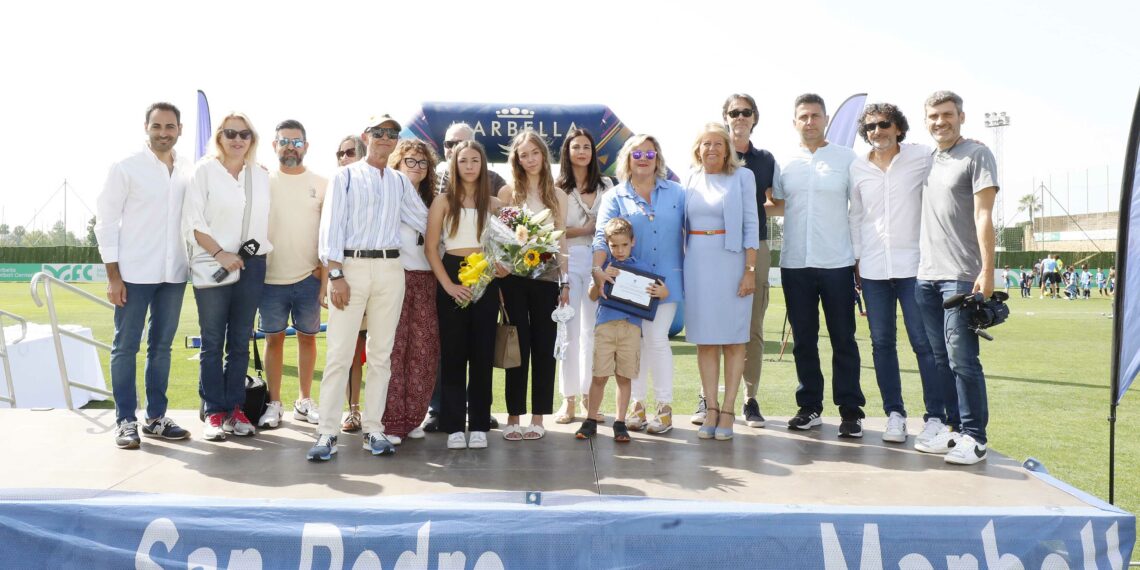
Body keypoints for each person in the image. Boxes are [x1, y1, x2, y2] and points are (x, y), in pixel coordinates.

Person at [307, 114, 429, 461]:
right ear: (367, 136)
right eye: (379, 132)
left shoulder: (399, 182)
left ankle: (373, 429)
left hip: (391, 269)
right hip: (351, 267)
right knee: (340, 354)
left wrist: (474, 231)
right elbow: (330, 229)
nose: (386, 138)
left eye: (392, 133)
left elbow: (423, 220)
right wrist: (335, 275)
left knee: (381, 354)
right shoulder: (344, 176)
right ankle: (327, 433)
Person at [848, 102, 953, 445]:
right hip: (874, 269)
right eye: (870, 128)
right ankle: (895, 414)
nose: (876, 131)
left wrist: (972, 143)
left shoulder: (921, 156)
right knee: (882, 344)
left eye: (883, 124)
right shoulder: (857, 168)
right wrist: (857, 260)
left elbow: (950, 152)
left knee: (924, 344)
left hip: (915, 267)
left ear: (898, 128)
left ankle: (936, 416)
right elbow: (856, 217)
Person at [96, 102, 192, 448]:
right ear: (147, 128)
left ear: (180, 129)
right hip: (134, 273)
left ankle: (155, 418)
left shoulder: (187, 170)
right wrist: (114, 276)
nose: (163, 133)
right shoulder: (126, 168)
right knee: (125, 347)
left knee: (161, 347)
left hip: (174, 272)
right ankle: (124, 421)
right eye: (157, 127)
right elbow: (106, 223)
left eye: (170, 126)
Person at [912, 90, 1000, 465]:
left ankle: (974, 437)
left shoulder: (978, 154)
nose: (939, 122)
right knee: (939, 359)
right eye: (933, 116)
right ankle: (951, 431)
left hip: (961, 276)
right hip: (926, 276)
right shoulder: (926, 159)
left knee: (963, 359)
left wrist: (988, 269)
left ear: (961, 117)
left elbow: (984, 216)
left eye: (947, 115)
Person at [772, 93, 865, 438]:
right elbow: (775, 204)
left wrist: (858, 257)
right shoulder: (784, 163)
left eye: (815, 116)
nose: (809, 122)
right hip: (795, 263)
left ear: (825, 119)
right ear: (794, 122)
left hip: (837, 262)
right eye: (803, 116)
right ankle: (809, 407)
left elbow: (859, 209)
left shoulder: (847, 159)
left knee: (844, 339)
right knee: (804, 342)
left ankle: (851, 411)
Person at [182, 111, 272, 441]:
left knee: (240, 341)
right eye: (230, 133)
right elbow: (193, 221)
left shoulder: (260, 175)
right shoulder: (204, 171)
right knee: (212, 342)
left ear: (252, 139)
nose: (237, 139)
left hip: (252, 265)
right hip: (213, 264)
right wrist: (222, 254)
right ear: (219, 136)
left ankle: (235, 409)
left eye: (244, 134)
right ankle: (214, 412)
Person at [692, 93, 780, 428]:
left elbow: (774, 204)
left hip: (748, 248)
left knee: (748, 329)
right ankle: (708, 400)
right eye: (734, 112)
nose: (740, 117)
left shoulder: (763, 161)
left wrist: (744, 224)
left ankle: (747, 400)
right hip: (705, 257)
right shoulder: (695, 172)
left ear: (754, 117)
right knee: (708, 332)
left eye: (746, 112)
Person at [593, 135, 685, 434]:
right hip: (629, 287)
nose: (643, 158)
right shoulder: (615, 196)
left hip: (666, 284)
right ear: (627, 159)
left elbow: (695, 233)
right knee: (636, 343)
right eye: (637, 153)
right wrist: (598, 269)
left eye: (650, 152)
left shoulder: (678, 193)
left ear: (658, 158)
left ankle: (664, 407)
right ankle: (637, 405)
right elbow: (600, 238)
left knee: (656, 339)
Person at [423, 122, 507, 433]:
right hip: (452, 276)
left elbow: (508, 247)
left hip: (486, 279)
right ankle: (454, 426)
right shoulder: (443, 202)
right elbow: (431, 249)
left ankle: (481, 425)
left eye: (475, 160)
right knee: (454, 355)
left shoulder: (496, 205)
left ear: (483, 165)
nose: (469, 166)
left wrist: (503, 268)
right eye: (463, 161)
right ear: (454, 165)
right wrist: (448, 286)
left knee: (482, 355)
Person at [682, 123, 759, 441]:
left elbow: (751, 222)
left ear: (727, 148)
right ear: (697, 149)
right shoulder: (689, 178)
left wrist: (750, 269)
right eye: (705, 144)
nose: (711, 149)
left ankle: (728, 410)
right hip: (697, 263)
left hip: (732, 260)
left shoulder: (743, 176)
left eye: (718, 143)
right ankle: (710, 408)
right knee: (706, 340)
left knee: (733, 339)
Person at [497, 129, 569, 441]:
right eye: (523, 155)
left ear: (544, 154)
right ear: (516, 159)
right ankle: (513, 416)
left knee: (543, 348)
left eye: (534, 153)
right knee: (516, 347)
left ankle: (538, 417)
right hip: (513, 280)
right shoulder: (508, 193)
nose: (529, 159)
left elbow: (562, 240)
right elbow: (499, 239)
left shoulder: (559, 195)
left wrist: (565, 283)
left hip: (547, 280)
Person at [257, 120, 326, 428]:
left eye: (297, 142)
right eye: (284, 141)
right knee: (273, 341)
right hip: (269, 278)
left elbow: (328, 233)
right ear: (274, 146)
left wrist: (323, 270)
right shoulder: (261, 180)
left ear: (306, 147)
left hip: (307, 278)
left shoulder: (323, 183)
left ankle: (304, 399)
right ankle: (274, 402)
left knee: (307, 339)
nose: (290, 147)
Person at [575, 217, 668, 442]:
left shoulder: (642, 268)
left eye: (624, 245)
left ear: (632, 242)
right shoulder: (603, 267)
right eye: (614, 245)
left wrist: (662, 293)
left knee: (624, 377)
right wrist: (602, 279)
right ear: (607, 244)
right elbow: (591, 295)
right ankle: (590, 420)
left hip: (631, 329)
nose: (619, 250)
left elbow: (660, 293)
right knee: (599, 376)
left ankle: (619, 422)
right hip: (606, 327)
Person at [381, 139, 441, 441]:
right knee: (394, 349)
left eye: (422, 162)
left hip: (428, 280)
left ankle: (413, 417)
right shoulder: (387, 197)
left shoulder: (434, 201)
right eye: (410, 161)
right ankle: (391, 420)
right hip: (395, 277)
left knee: (423, 350)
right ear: (397, 163)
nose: (416, 167)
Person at [554, 128, 613, 425]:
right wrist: (584, 230)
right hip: (569, 259)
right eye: (576, 146)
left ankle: (592, 398)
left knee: (594, 333)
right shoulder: (558, 188)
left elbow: (614, 225)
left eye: (586, 146)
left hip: (601, 261)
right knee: (570, 331)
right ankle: (569, 400)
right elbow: (552, 231)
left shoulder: (607, 184)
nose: (581, 151)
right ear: (567, 151)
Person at [334, 135, 369, 432]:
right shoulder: (336, 189)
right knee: (351, 352)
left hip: (383, 280)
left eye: (349, 152)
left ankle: (389, 413)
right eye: (339, 153)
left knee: (385, 352)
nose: (343, 157)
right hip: (346, 281)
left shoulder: (384, 186)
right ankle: (353, 410)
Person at [436, 122, 508, 195]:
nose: (453, 149)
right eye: (449, 144)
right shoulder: (432, 181)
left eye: (460, 144)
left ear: (473, 145)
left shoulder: (495, 182)